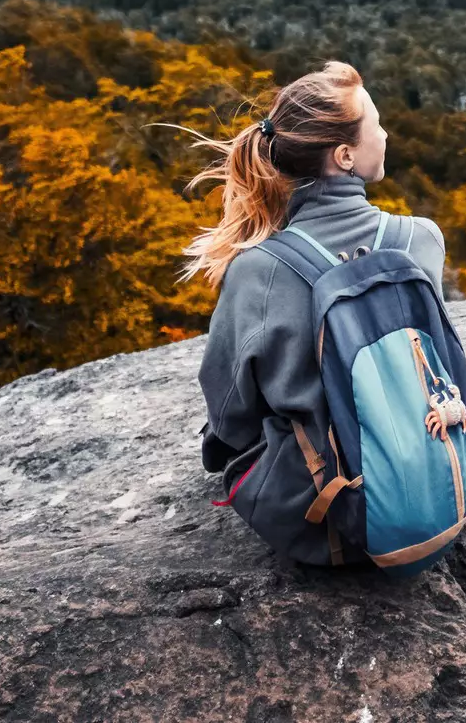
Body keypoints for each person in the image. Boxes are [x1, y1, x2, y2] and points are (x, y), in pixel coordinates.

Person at [185, 61, 450, 566]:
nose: (386, 132)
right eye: (376, 123)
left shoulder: (258, 270)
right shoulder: (422, 239)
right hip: (439, 488)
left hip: (325, 524)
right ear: (345, 154)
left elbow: (230, 413)